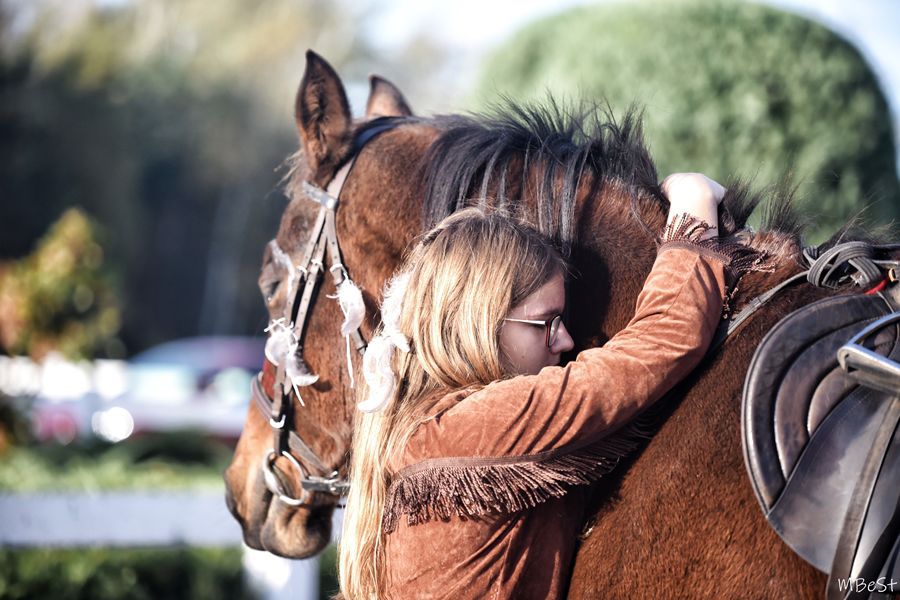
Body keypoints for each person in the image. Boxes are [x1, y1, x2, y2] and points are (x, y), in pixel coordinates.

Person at [339, 173, 743, 599]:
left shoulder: (423, 431)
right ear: (482, 322)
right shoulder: (472, 427)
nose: (565, 341)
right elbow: (661, 342)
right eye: (546, 323)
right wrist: (693, 201)